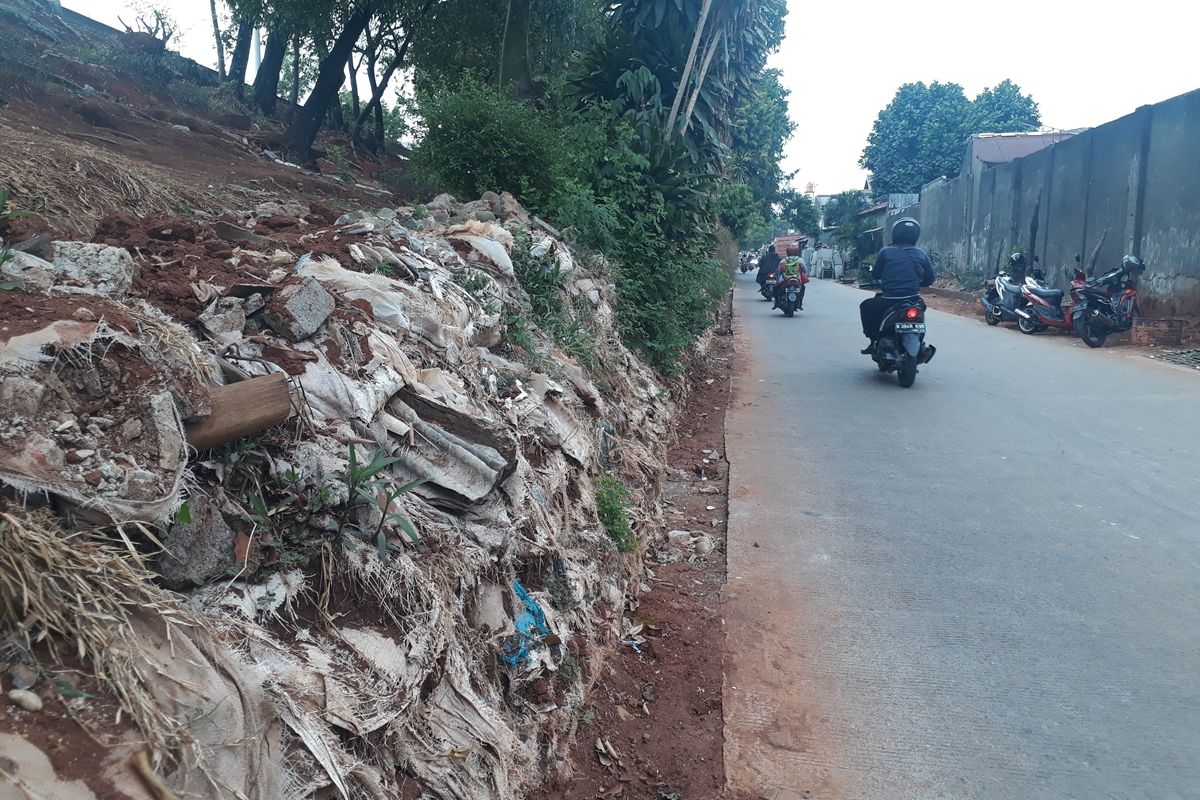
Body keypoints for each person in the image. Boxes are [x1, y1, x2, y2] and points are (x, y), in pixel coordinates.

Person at [859, 218, 935, 352]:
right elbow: (930, 279)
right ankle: (919, 342)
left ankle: (873, 340)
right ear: (915, 235)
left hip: (889, 300)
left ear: (895, 234)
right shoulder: (921, 253)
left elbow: (876, 274)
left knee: (866, 306)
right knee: (920, 313)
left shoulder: (885, 252)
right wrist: (917, 283)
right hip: (914, 300)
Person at [775, 245, 809, 309]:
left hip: (784, 279)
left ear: (787, 252)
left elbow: (779, 270)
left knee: (776, 288)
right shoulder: (800, 260)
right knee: (803, 288)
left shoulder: (783, 260)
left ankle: (776, 303)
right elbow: (804, 269)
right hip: (797, 279)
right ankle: (800, 303)